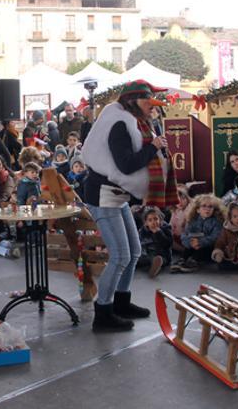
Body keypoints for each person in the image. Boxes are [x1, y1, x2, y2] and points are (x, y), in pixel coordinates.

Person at [81, 79, 169, 331]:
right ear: (132, 101)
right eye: (147, 101)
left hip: (116, 195)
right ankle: (103, 313)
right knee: (120, 255)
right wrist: (153, 147)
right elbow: (126, 165)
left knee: (134, 252)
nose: (152, 107)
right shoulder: (119, 123)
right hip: (104, 195)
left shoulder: (127, 119)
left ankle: (121, 302)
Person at [177, 194, 226, 273]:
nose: (207, 209)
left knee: (202, 250)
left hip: (209, 247)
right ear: (198, 209)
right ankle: (183, 260)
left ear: (214, 209)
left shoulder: (217, 222)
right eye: (204, 206)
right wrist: (190, 243)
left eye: (210, 207)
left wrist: (200, 242)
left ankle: (193, 261)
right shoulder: (193, 220)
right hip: (194, 243)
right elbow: (185, 234)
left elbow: (215, 237)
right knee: (187, 249)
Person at [137, 207, 172, 278]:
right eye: (150, 220)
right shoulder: (143, 231)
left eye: (156, 219)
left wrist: (158, 233)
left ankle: (154, 267)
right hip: (146, 253)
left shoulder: (165, 228)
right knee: (137, 258)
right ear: (146, 223)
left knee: (157, 258)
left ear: (160, 220)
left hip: (162, 254)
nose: (153, 222)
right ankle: (123, 264)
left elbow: (168, 244)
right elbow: (139, 242)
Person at [169, 186, 191, 273]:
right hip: (177, 236)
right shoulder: (175, 211)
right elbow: (171, 225)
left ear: (187, 199)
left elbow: (188, 226)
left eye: (183, 199)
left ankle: (185, 251)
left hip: (185, 236)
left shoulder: (189, 210)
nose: (180, 202)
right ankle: (181, 250)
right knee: (168, 239)